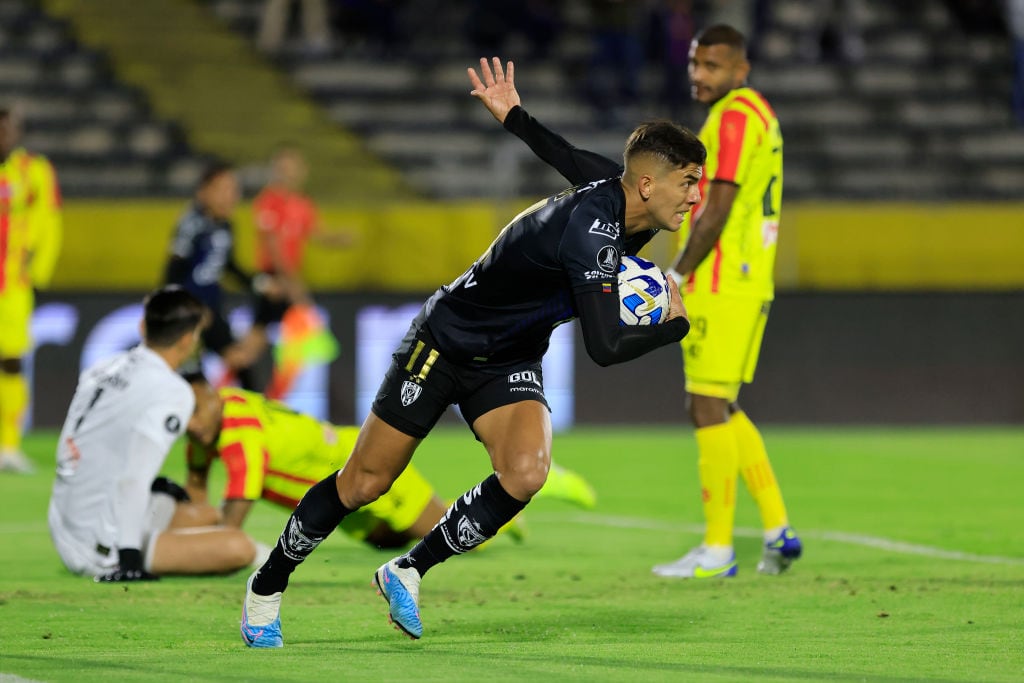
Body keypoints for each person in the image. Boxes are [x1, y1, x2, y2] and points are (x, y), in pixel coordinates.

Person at [239, 72, 704, 646]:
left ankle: (407, 570)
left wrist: (514, 116)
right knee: (365, 482)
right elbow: (605, 348)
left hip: (508, 356)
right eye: (687, 182)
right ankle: (267, 586)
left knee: (526, 472)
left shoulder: (621, 197)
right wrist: (673, 326)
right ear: (649, 185)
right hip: (445, 342)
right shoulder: (593, 233)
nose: (695, 196)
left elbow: (565, 154)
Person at [466, 41, 801, 581]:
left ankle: (718, 548)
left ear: (742, 68)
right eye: (693, 61)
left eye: (711, 64)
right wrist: (516, 117)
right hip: (748, 277)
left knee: (706, 405)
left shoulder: (734, 118)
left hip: (719, 277)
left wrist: (678, 273)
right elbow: (577, 162)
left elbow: (718, 206)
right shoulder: (760, 115)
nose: (697, 73)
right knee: (721, 404)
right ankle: (777, 529)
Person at [182, 374, 595, 550]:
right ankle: (510, 493)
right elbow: (198, 484)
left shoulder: (238, 433)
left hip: (360, 468)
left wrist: (202, 542)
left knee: (447, 535)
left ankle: (528, 487)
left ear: (212, 395)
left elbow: (240, 500)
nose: (194, 425)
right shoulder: (219, 413)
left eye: (197, 411)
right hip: (338, 482)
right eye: (187, 416)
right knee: (391, 540)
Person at [47, 287, 260, 581]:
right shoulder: (173, 391)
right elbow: (134, 477)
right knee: (239, 547)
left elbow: (86, 444)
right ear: (189, 339)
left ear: (142, 326)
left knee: (207, 515)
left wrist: (157, 486)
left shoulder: (103, 367)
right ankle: (122, 552)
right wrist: (129, 560)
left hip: (65, 522)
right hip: (97, 543)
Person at [163, 161, 283, 391]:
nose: (231, 196)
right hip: (192, 314)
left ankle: (251, 420)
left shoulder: (226, 225)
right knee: (190, 377)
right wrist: (186, 311)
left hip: (212, 309)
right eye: (223, 189)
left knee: (241, 364)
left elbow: (228, 266)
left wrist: (262, 283)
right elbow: (173, 273)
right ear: (204, 192)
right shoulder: (190, 225)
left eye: (233, 190)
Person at [251, 145, 350, 398]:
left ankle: (272, 400)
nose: (290, 173)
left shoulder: (302, 204)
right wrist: (293, 285)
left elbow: (317, 233)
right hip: (274, 279)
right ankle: (256, 398)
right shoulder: (269, 201)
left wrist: (339, 239)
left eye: (294, 167)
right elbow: (273, 247)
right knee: (259, 343)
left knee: (292, 345)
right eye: (284, 167)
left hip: (290, 280)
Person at [0, 107, 62, 474]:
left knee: (10, 362)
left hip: (12, 287)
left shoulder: (34, 170)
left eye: (10, 128)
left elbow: (49, 222)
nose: (5, 135)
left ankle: (8, 444)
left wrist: (38, 272)